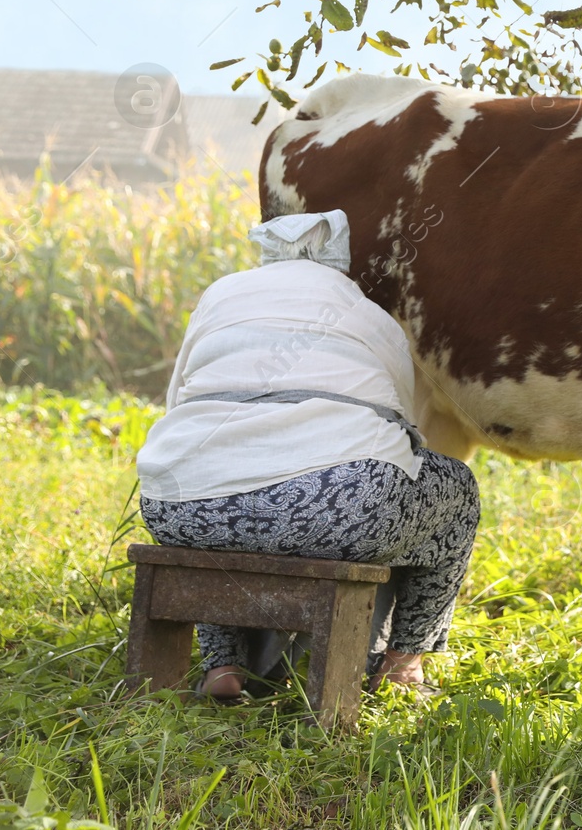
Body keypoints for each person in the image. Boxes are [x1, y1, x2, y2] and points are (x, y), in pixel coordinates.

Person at [135, 210, 479, 699]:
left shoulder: (220, 297)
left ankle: (222, 667)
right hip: (337, 510)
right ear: (337, 263)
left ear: (267, 255)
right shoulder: (367, 313)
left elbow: (178, 401)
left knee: (211, 489)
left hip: (180, 508)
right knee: (458, 491)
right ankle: (403, 665)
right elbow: (403, 425)